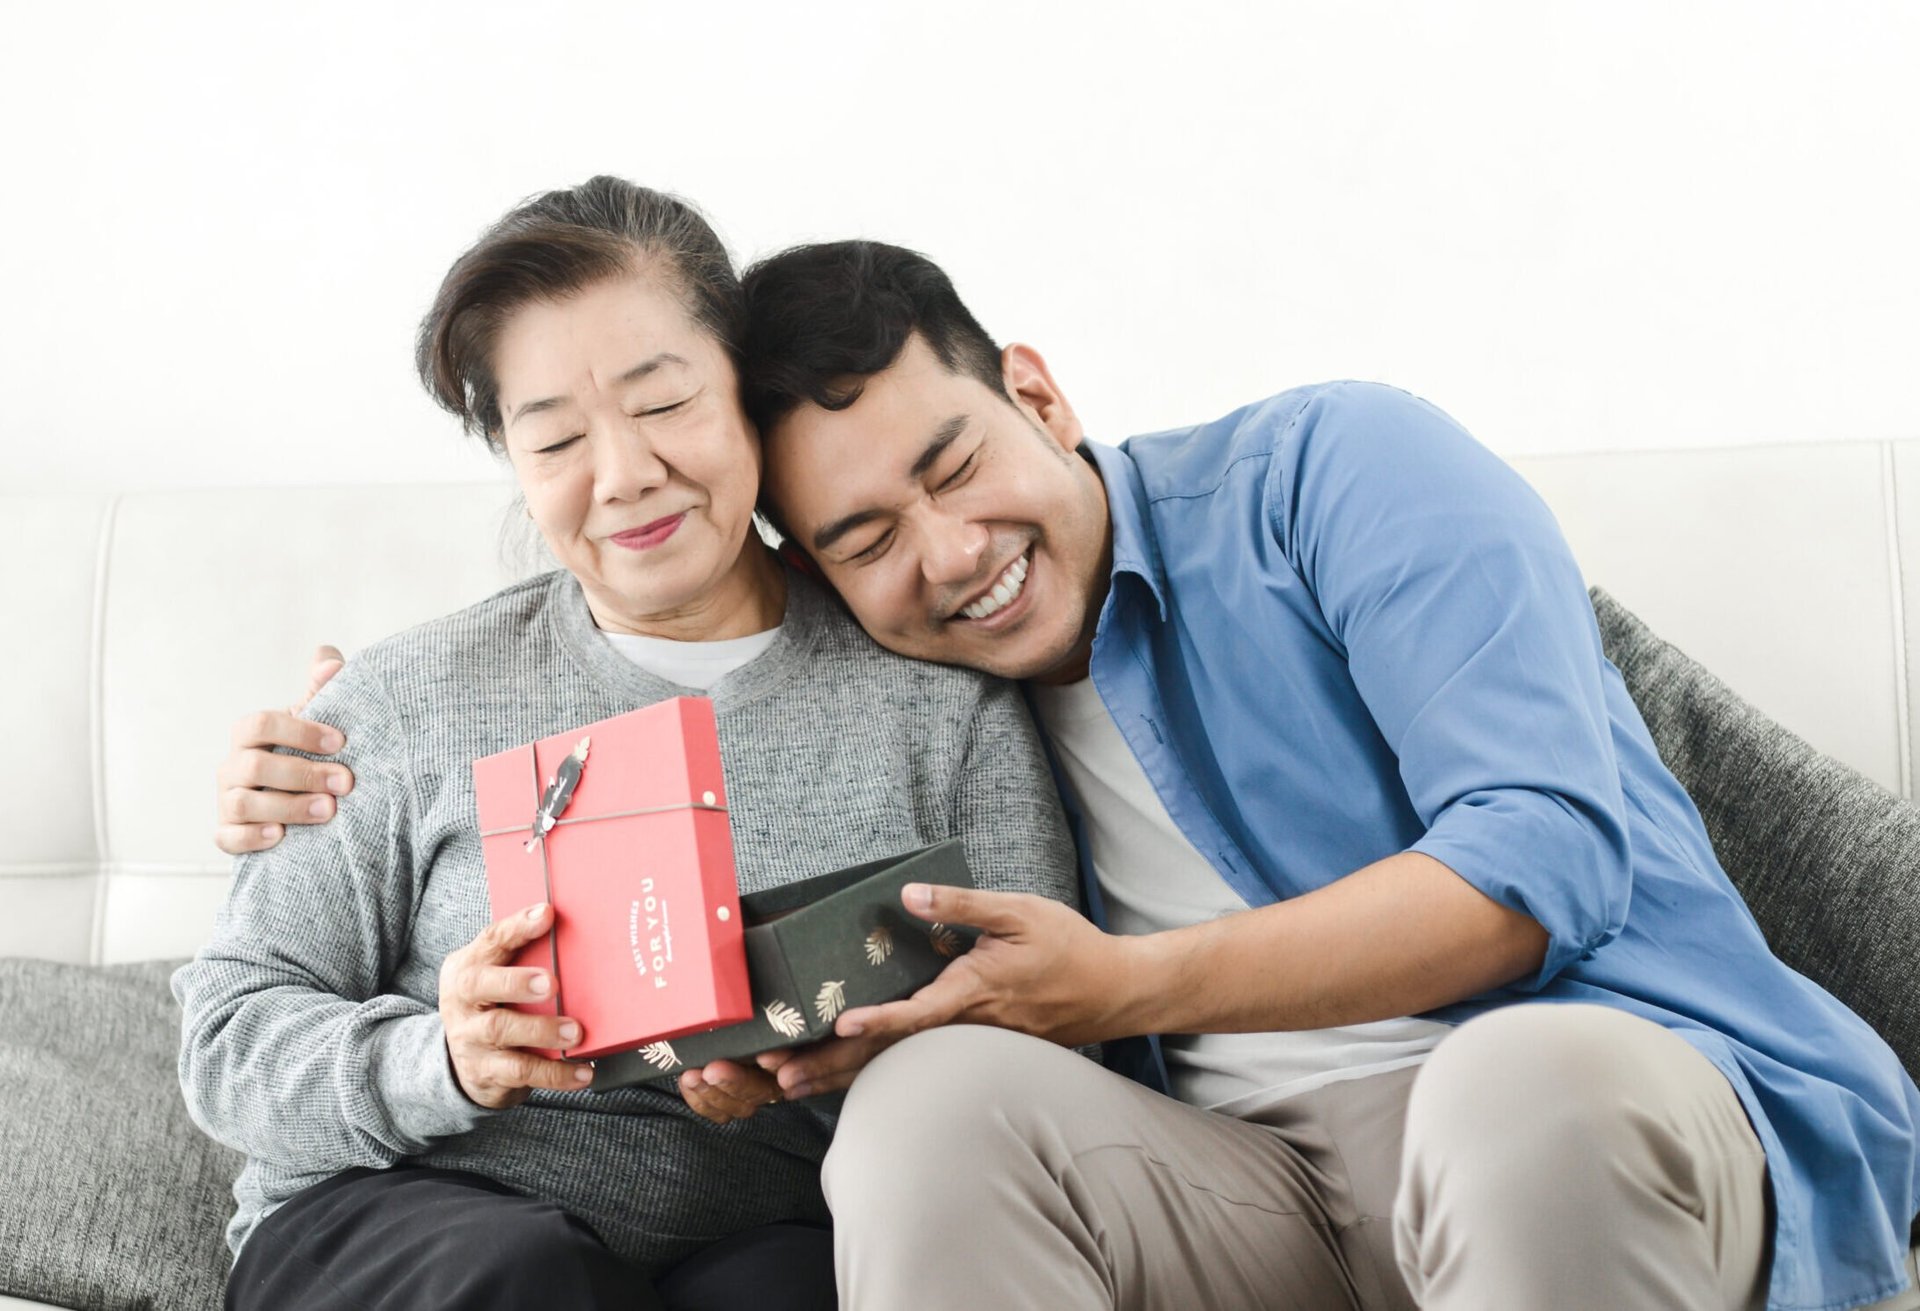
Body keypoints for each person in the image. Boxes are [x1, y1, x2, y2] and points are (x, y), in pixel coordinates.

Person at [220, 236, 1920, 1310]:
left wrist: (1122, 986)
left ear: (1035, 388)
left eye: (957, 463)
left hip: (1583, 1101)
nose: (951, 554)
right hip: (1248, 1191)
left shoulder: (1328, 470)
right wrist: (319, 753)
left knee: (1510, 1092)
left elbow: (1543, 857)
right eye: (866, 537)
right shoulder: (886, 679)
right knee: (925, 1118)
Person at [178, 182, 1079, 1311]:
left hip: (760, 1223)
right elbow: (227, 1038)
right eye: (555, 438)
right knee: (528, 1277)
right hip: (409, 1216)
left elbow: (1047, 1052)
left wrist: (829, 1067)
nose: (623, 475)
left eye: (663, 404)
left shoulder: (936, 705)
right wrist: (443, 1061)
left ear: (744, 396)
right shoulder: (408, 698)